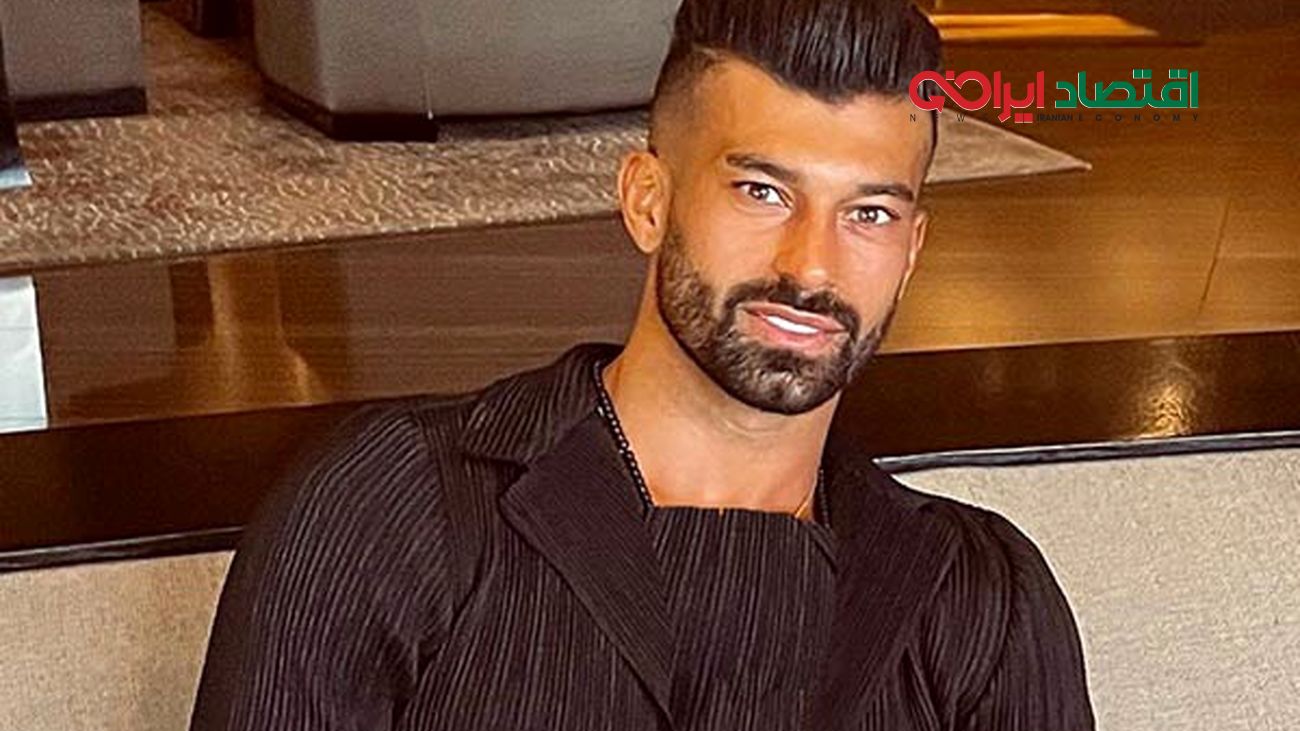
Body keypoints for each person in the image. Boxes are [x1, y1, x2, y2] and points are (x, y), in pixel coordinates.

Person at [191, 0, 1095, 728]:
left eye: (869, 214)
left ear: (912, 249)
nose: (812, 266)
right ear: (647, 201)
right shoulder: (396, 506)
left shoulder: (980, 599)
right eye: (762, 191)